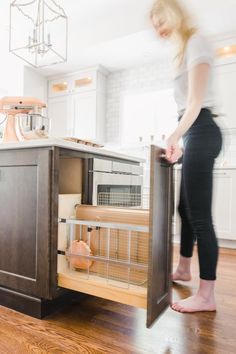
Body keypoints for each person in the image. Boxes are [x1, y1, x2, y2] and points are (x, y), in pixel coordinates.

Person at [150, 0, 223, 313]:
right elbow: (188, 109)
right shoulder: (185, 50)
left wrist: (173, 136)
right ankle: (183, 268)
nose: (159, 29)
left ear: (174, 14)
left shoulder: (197, 42)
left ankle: (206, 296)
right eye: (154, 25)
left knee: (200, 217)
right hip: (195, 132)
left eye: (160, 21)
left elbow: (195, 103)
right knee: (184, 207)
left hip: (203, 130)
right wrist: (181, 140)